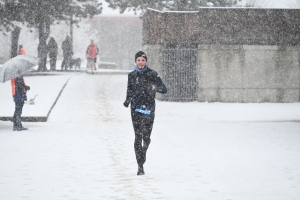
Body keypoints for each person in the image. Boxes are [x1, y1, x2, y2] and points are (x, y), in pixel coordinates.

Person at [123, 51, 167, 175]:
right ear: (135, 62)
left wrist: (154, 87)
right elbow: (129, 90)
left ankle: (144, 151)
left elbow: (164, 89)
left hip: (148, 108)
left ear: (146, 61)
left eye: (143, 60)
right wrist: (127, 100)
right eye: (139, 60)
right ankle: (140, 165)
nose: (141, 62)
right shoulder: (132, 75)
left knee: (146, 137)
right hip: (136, 108)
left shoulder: (152, 74)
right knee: (138, 136)